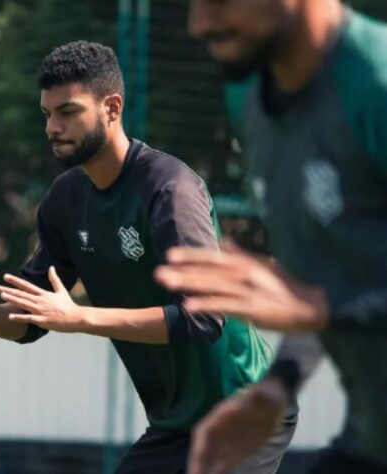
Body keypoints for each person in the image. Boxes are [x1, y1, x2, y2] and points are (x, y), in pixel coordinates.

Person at [0, 41, 295, 474]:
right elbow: (32, 322)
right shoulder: (64, 202)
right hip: (178, 425)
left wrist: (81, 319)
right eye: (47, 114)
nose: (52, 128)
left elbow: (203, 318)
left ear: (111, 108)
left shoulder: (169, 189)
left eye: (68, 112)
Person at [154, 1, 387, 473]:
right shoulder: (251, 100)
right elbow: (332, 277)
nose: (200, 23)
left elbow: (322, 298)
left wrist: (324, 306)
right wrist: (277, 387)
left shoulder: (377, 87)